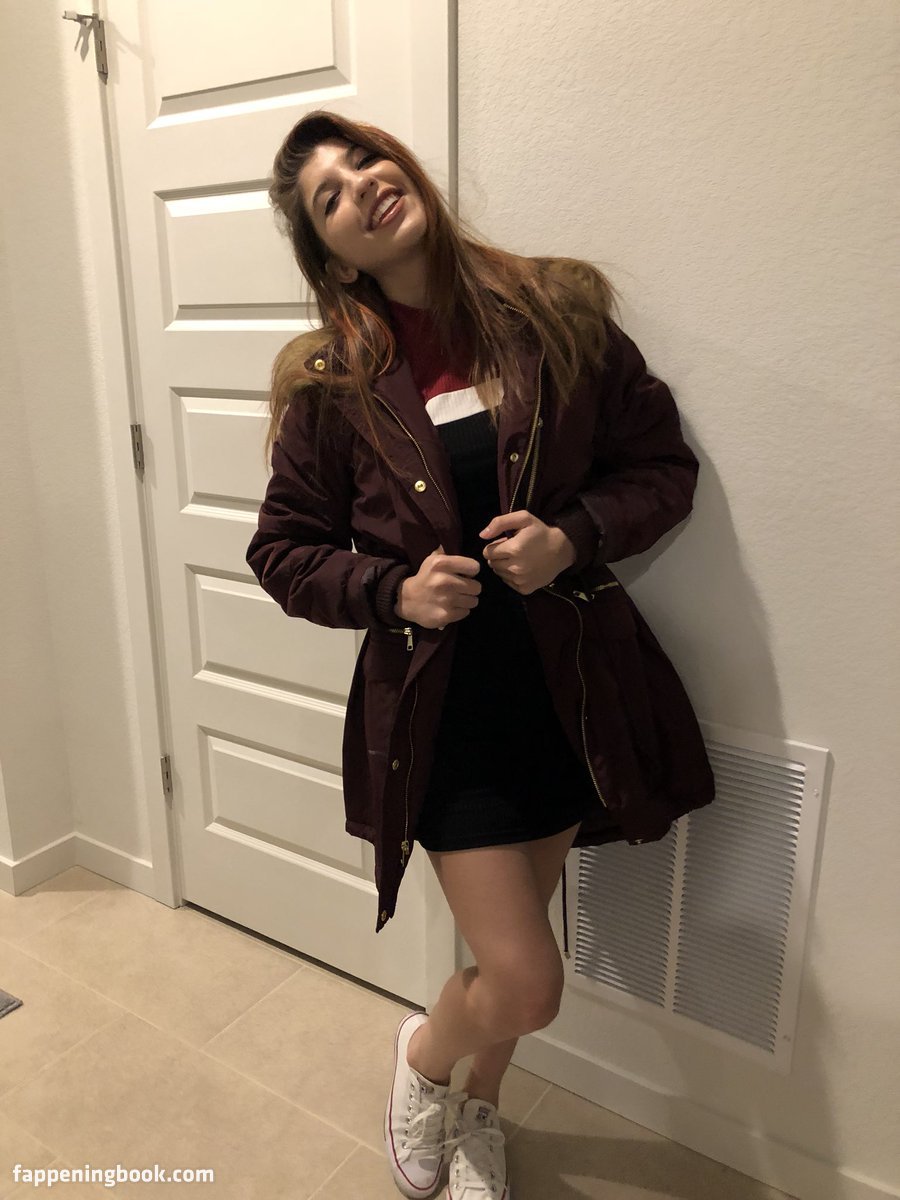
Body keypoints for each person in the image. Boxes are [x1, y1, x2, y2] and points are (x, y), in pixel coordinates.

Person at [246, 109, 715, 1200]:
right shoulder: (331, 383)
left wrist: (572, 538)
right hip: (441, 714)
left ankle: (479, 1108)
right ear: (334, 257)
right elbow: (281, 551)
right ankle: (422, 1061)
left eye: (364, 158)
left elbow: (662, 468)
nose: (361, 185)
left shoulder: (556, 310)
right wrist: (393, 590)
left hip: (567, 695)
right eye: (328, 197)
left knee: (515, 959)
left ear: (403, 166)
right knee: (527, 980)